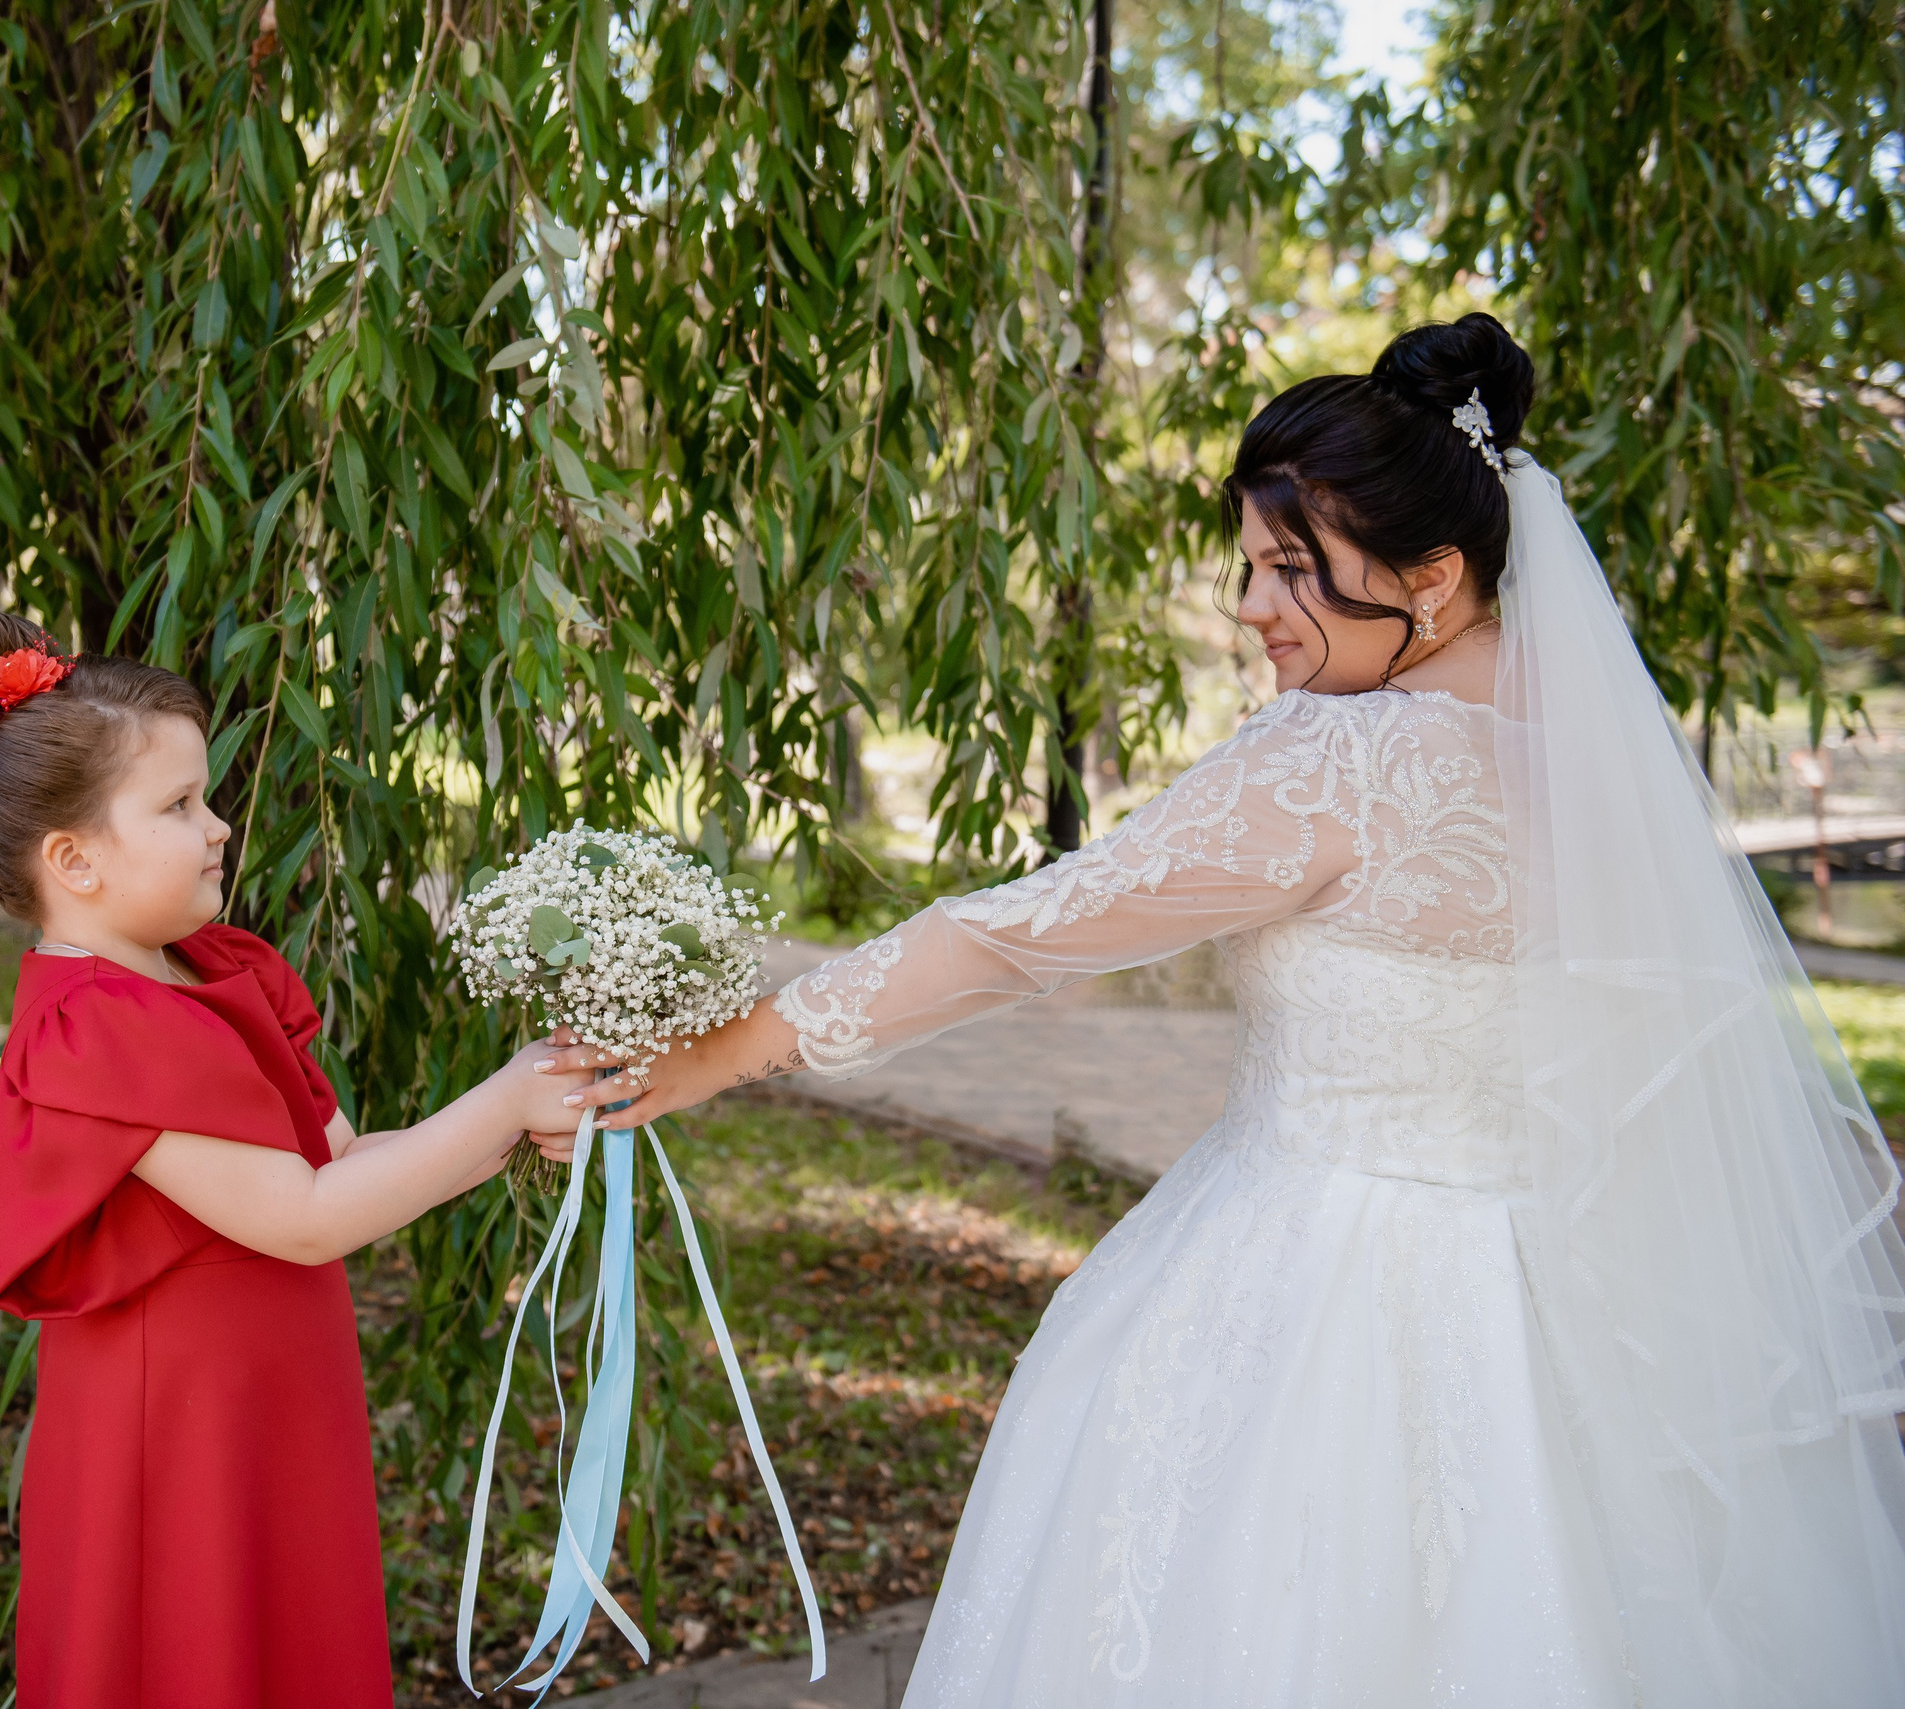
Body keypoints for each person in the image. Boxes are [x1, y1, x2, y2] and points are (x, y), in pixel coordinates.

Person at [535, 315, 1905, 1705]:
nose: (1252, 608)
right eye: (1252, 564)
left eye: (1294, 571)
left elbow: (1020, 936)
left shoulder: (1344, 759)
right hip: (1569, 1317)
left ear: (1432, 579)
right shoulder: (1597, 761)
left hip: (1312, 1307)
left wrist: (726, 1051)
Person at [0, 614, 592, 1708]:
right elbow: (307, 1214)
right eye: (179, 806)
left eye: (207, 796)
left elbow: (346, 1158)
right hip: (175, 1434)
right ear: (73, 859)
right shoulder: (93, 1025)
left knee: (283, 1647)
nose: (220, 825)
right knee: (182, 1655)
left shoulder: (208, 968)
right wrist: (503, 1094)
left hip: (269, 1406)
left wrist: (510, 1121)